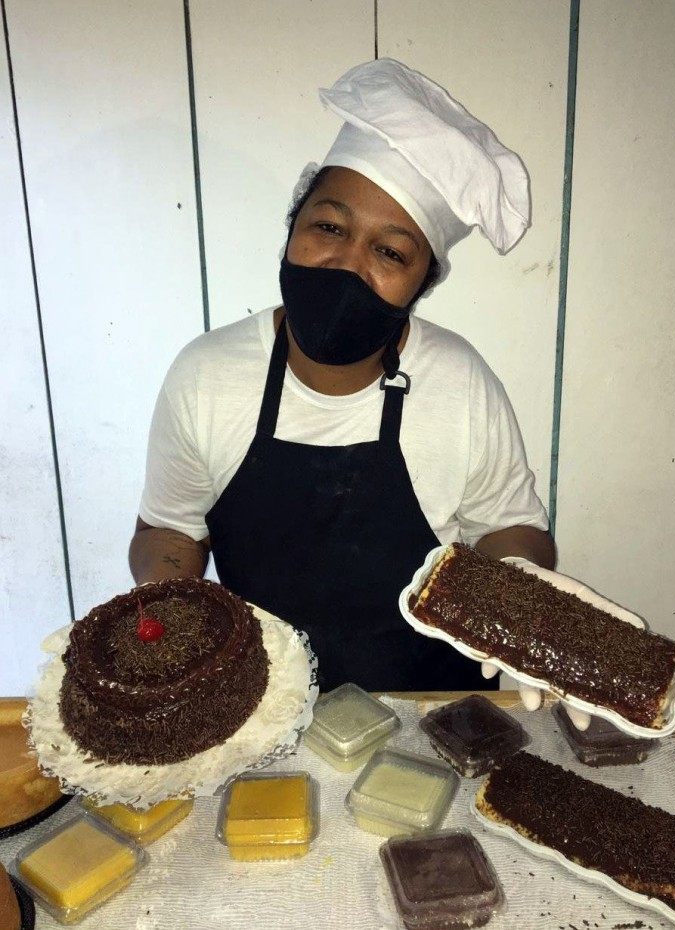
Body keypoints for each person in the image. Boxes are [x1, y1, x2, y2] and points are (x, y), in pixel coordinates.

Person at [129, 58, 556, 693]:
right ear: (293, 228)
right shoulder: (207, 376)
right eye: (329, 227)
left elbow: (508, 527)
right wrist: (168, 621)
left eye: (390, 252)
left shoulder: (459, 381)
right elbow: (168, 529)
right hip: (261, 705)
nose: (346, 265)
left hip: (435, 708)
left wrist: (520, 613)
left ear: (422, 282)